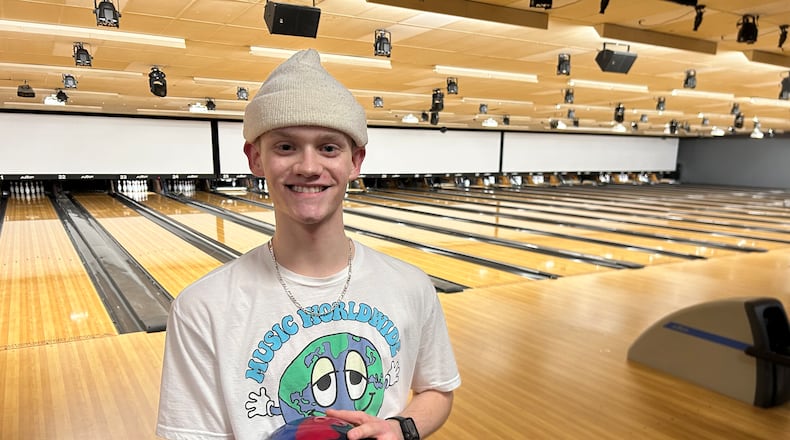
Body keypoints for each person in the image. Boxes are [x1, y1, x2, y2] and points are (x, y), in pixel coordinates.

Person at [156, 49, 461, 440]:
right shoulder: (202, 307)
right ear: (255, 158)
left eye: (328, 147)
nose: (309, 167)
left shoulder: (411, 286)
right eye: (286, 147)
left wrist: (400, 429)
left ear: (355, 161)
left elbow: (437, 389)